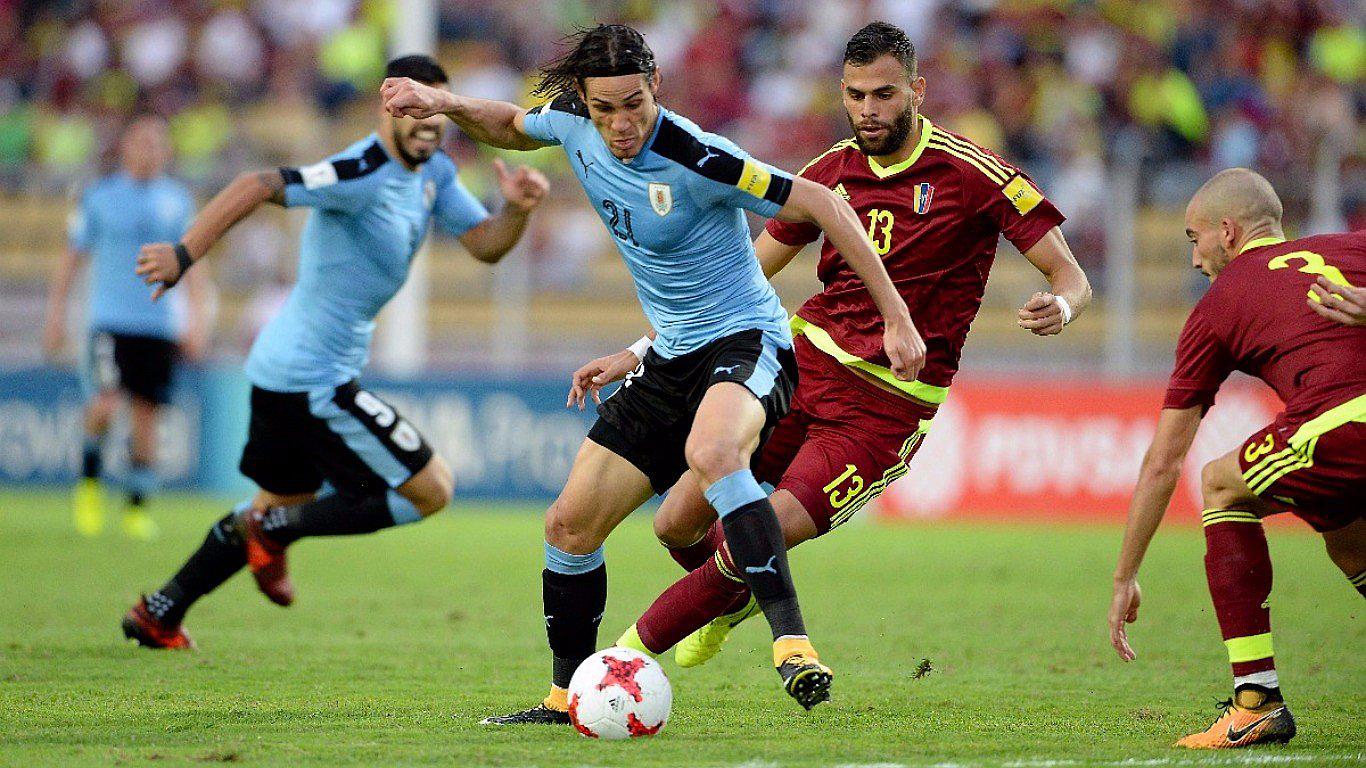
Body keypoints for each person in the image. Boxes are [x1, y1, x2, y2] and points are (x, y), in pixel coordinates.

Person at [381, 23, 924, 720]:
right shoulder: (573, 125)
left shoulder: (698, 155)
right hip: (671, 353)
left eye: (634, 104)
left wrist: (896, 316)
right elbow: (513, 126)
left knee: (714, 453)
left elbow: (822, 202)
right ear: (584, 101)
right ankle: (565, 699)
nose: (621, 124)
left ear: (655, 87)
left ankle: (792, 643)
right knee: (569, 527)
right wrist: (445, 102)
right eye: (604, 109)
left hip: (746, 340)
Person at [569, 22, 1089, 667]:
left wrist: (1063, 304)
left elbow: (1070, 275)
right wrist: (642, 348)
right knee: (674, 523)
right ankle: (733, 596)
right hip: (800, 366)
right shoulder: (829, 173)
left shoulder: (972, 173)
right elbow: (741, 276)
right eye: (855, 95)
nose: (868, 110)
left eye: (884, 95)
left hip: (885, 405)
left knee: (758, 533)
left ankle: (618, 667)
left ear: (918, 91)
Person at [120, 54, 549, 649]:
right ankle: (276, 531)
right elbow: (257, 184)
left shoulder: (434, 173)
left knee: (275, 504)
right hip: (311, 378)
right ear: (387, 107)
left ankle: (159, 612)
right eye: (415, 113)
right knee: (430, 489)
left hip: (287, 371)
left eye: (436, 115)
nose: (427, 127)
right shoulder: (359, 171)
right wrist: (184, 253)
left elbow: (484, 245)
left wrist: (517, 211)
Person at [1108, 168, 1364, 749]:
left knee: (1221, 483)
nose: (1194, 258)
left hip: (1346, 422)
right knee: (1345, 530)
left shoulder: (1219, 305)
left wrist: (1125, 576)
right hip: (1347, 443)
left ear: (1227, 231)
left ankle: (1255, 701)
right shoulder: (1350, 247)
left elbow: (1163, 462)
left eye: (1194, 239)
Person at [43, 115, 210, 541]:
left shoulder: (178, 201)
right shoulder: (99, 196)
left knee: (146, 416)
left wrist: (196, 319)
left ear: (167, 151)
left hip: (158, 324)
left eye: (156, 142)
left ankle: (137, 507)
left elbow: (193, 264)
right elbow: (72, 257)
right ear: (125, 147)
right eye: (141, 141)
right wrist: (56, 315)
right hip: (110, 321)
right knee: (104, 404)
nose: (149, 150)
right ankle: (89, 485)